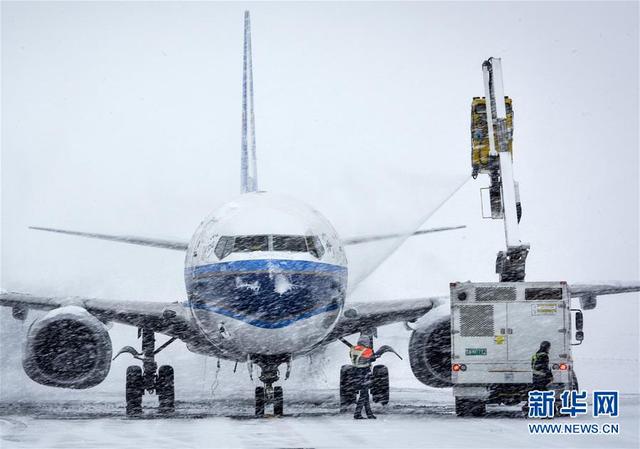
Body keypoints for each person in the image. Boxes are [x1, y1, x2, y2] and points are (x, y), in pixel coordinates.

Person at [348, 335, 377, 420]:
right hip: (364, 374)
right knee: (363, 395)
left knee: (365, 394)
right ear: (366, 342)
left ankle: (369, 414)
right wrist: (376, 355)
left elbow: (352, 356)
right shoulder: (367, 350)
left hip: (355, 373)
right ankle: (357, 414)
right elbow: (373, 358)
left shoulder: (352, 349)